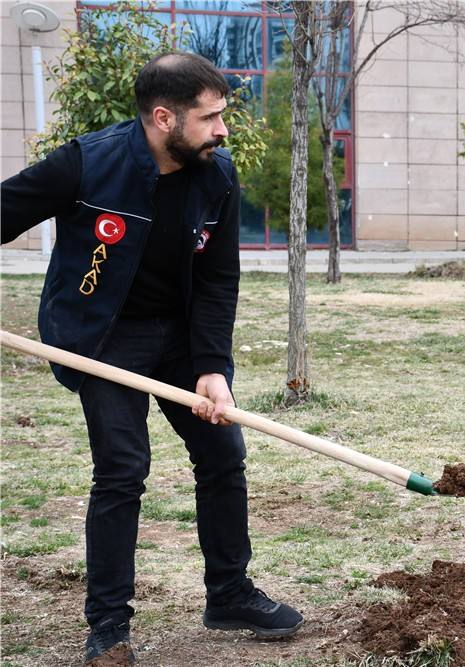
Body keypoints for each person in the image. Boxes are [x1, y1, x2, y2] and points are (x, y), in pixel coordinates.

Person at [1, 52, 302, 664]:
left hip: (180, 338)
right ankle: (108, 627)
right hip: (101, 338)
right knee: (122, 469)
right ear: (163, 118)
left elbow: (219, 281)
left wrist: (212, 367)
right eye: (210, 117)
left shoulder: (215, 176)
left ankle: (229, 593)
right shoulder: (88, 163)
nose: (222, 129)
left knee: (223, 453)